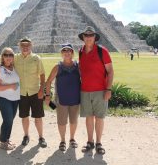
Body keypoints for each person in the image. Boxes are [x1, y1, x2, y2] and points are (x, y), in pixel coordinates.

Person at [78, 26, 114, 155]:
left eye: (91, 35)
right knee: (88, 117)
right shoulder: (80, 51)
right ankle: (90, 141)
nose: (88, 38)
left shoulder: (102, 51)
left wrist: (108, 89)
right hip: (85, 90)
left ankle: (99, 142)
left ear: (95, 37)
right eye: (86, 35)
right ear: (83, 37)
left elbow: (110, 71)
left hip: (100, 90)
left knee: (99, 117)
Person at [45, 43, 80, 152]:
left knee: (73, 121)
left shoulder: (78, 66)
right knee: (61, 122)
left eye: (69, 51)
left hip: (75, 98)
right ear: (61, 53)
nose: (67, 53)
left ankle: (72, 139)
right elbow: (48, 81)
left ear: (72, 53)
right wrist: (47, 96)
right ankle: (63, 140)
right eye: (64, 51)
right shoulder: (58, 67)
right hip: (61, 100)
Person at [14, 37, 47, 148]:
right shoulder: (15, 58)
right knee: (24, 117)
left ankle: (41, 137)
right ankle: (26, 136)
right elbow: (6, 65)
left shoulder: (36, 58)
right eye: (22, 45)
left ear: (31, 46)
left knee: (38, 117)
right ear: (19, 46)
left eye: (27, 45)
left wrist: (42, 89)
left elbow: (42, 74)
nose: (25, 47)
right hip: (22, 93)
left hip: (35, 92)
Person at [0, 47, 20, 150]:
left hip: (15, 99)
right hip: (3, 98)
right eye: (6, 55)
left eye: (11, 55)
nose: (8, 57)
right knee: (7, 120)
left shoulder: (15, 68)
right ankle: (2, 142)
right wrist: (10, 86)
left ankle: (7, 139)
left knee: (10, 120)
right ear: (2, 57)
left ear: (13, 57)